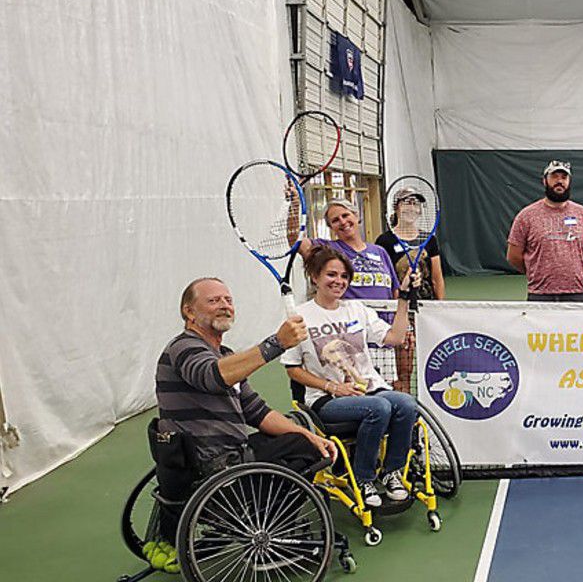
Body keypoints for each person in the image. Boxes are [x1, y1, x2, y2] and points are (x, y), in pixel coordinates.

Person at [150, 278, 338, 571]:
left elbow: (257, 412)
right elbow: (212, 376)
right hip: (213, 467)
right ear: (189, 312)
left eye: (228, 299)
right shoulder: (184, 347)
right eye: (213, 301)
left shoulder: (225, 355)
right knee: (300, 450)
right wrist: (277, 344)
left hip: (227, 459)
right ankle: (267, 534)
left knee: (299, 435)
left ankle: (271, 523)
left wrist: (309, 434)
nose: (224, 305)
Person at [283, 246, 417, 508]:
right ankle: (364, 478)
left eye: (344, 276)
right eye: (332, 275)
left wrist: (403, 299)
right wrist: (332, 386)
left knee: (407, 404)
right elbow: (292, 368)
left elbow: (395, 338)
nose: (339, 281)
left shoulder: (357, 309)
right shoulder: (299, 316)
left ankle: (392, 473)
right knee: (378, 407)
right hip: (326, 398)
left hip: (369, 389)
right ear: (315, 277)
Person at [375, 186, 445, 392]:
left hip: (426, 311)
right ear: (396, 207)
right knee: (403, 369)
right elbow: (385, 279)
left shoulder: (428, 239)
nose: (412, 207)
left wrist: (440, 309)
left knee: (433, 363)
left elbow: (437, 278)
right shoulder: (384, 241)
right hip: (400, 312)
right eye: (407, 202)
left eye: (416, 203)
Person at [506, 160, 583, 302]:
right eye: (554, 177)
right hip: (539, 295)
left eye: (564, 178)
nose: (560, 181)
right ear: (545, 181)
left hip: (578, 293)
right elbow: (513, 256)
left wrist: (577, 269)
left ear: (569, 182)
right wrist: (536, 271)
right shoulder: (526, 216)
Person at [298, 199, 400, 322]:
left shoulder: (380, 251)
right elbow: (296, 242)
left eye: (345, 215)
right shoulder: (327, 249)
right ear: (331, 228)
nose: (342, 221)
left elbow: (395, 291)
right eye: (335, 220)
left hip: (384, 329)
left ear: (356, 216)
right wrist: (293, 202)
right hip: (351, 327)